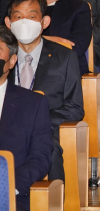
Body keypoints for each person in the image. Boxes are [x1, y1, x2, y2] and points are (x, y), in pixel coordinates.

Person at [6, 0, 84, 183]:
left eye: (32, 16)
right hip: (6, 128)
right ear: (8, 23)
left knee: (52, 151)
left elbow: (74, 108)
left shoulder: (65, 57)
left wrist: (36, 122)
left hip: (47, 130)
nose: (24, 22)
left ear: (44, 22)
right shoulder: (3, 58)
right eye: (18, 17)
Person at [0, 26, 53, 211]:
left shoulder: (33, 104)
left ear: (12, 60)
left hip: (12, 197)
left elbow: (40, 158)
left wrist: (6, 186)